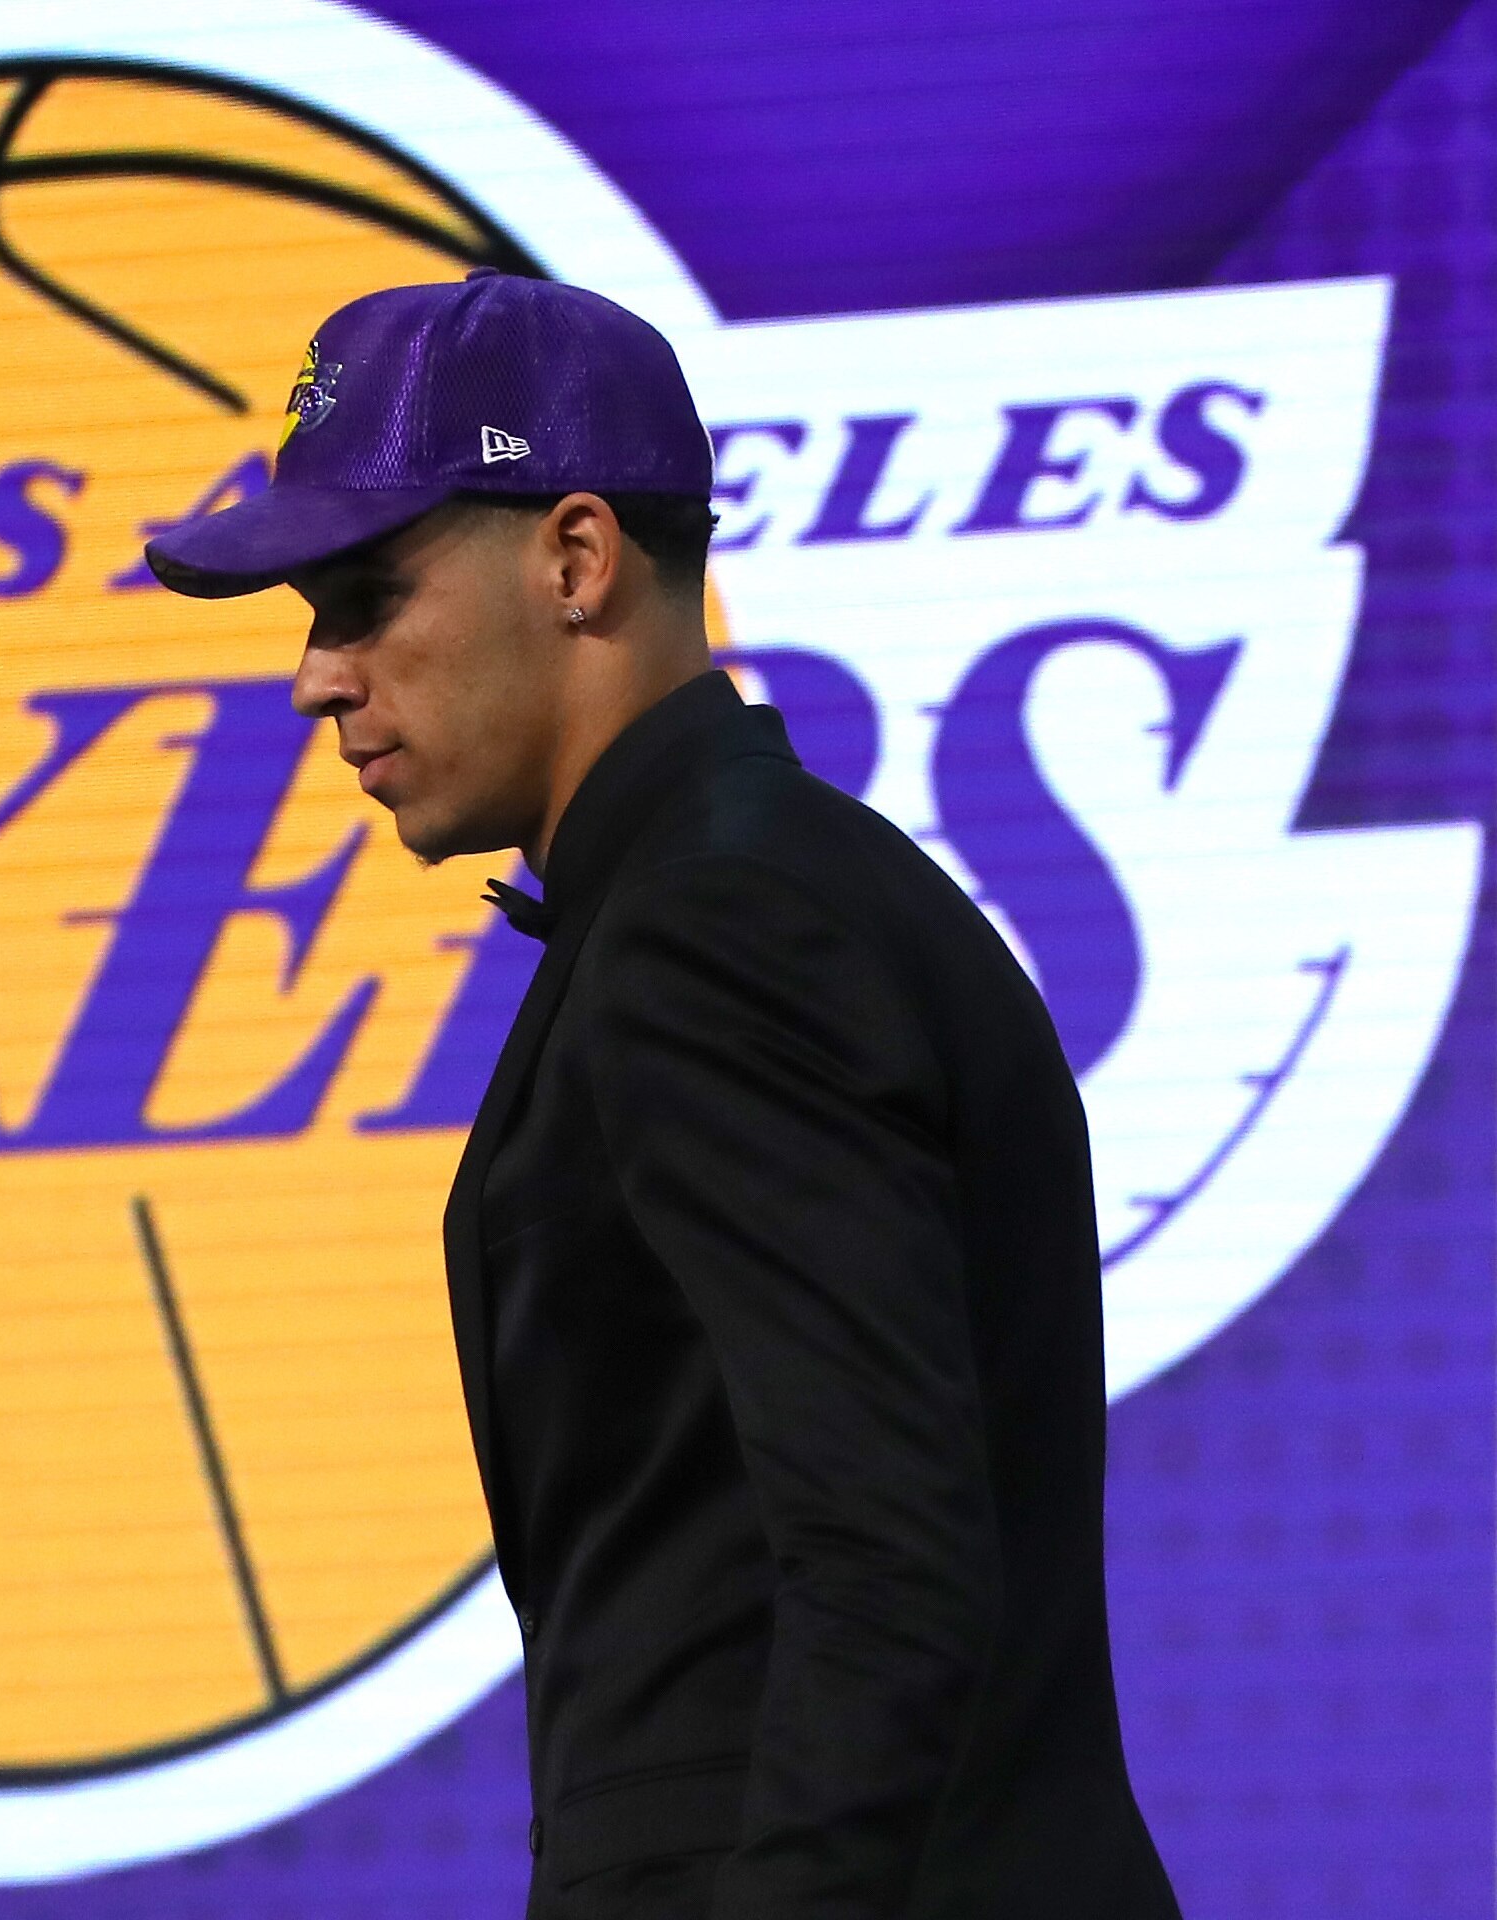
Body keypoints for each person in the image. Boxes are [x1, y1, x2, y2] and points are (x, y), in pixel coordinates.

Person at [146, 272, 1182, 1920]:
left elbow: (886, 1576)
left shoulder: (721, 927)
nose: (315, 678)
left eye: (358, 594)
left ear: (574, 558)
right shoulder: (751, 893)